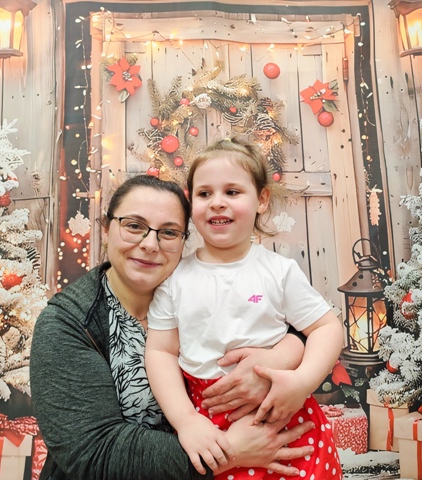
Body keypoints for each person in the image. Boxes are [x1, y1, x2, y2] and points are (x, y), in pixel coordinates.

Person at [30, 174, 318, 480]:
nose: (149, 244)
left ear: (183, 240)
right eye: (134, 226)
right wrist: (230, 452)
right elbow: (92, 453)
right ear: (106, 229)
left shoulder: (196, 289)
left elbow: (299, 326)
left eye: (168, 232)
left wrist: (279, 358)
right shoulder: (67, 324)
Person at [146, 138, 344, 479]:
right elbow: (161, 351)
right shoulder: (175, 279)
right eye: (204, 194)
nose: (217, 203)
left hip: (284, 416)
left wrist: (300, 382)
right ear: (191, 202)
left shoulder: (278, 271)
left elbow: (327, 328)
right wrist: (186, 421)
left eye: (232, 192)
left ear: (261, 200)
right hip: (209, 422)